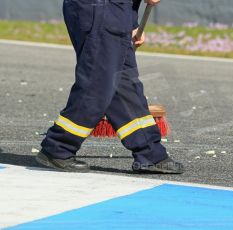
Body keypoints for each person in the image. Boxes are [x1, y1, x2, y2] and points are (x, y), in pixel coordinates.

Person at [36, 0, 184, 174]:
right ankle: (57, 147)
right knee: (97, 84)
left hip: (115, 10)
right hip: (101, 9)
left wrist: (130, 21)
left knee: (125, 87)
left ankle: (150, 153)